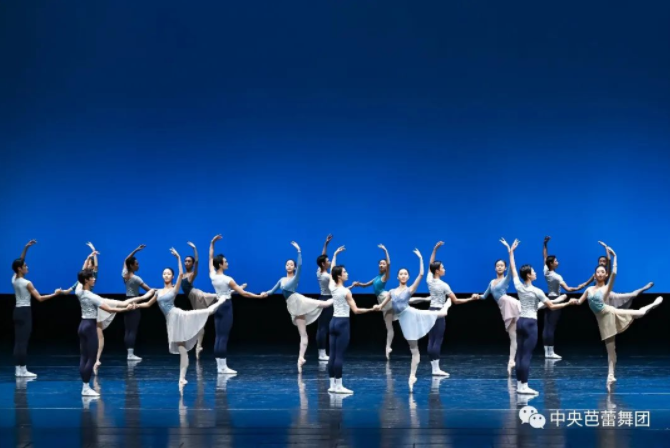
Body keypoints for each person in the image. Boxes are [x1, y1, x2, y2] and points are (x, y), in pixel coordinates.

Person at [136, 248, 227, 392]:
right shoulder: (158, 292)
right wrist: (135, 305)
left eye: (168, 274)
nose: (166, 275)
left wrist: (178, 257)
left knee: (204, 312)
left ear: (172, 276)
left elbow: (180, 274)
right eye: (164, 273)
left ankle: (221, 300)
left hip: (178, 316)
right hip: (170, 322)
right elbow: (147, 304)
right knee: (182, 350)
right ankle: (182, 378)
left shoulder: (174, 289)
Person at [575, 243, 663, 392]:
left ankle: (653, 304)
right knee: (611, 350)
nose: (600, 273)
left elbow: (614, 274)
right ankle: (610, 376)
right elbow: (579, 302)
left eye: (603, 272)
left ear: (605, 275)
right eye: (598, 272)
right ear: (595, 275)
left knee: (640, 313)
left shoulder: (606, 288)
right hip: (602, 322)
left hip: (611, 313)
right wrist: (571, 301)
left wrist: (615, 257)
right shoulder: (589, 289)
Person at [503, 238, 577, 395]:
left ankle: (519, 384)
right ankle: (524, 386)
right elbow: (551, 306)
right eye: (533, 272)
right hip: (530, 324)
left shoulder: (519, 286)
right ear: (529, 275)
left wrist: (511, 252)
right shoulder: (537, 291)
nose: (536, 273)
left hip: (520, 322)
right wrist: (567, 303)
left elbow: (514, 269)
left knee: (519, 354)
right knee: (526, 356)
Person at [378, 249, 450, 392]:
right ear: (397, 277)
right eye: (401, 274)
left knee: (440, 313)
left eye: (405, 274)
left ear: (408, 277)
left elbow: (421, 274)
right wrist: (373, 307)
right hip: (405, 323)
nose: (403, 275)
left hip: (413, 314)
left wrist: (420, 258)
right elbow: (381, 306)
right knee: (414, 351)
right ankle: (412, 376)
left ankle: (448, 304)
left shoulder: (410, 289)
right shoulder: (391, 292)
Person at [265, 241, 334, 372]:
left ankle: (338, 296)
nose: (289, 266)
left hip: (299, 302)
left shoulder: (295, 278)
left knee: (323, 304)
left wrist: (299, 251)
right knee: (303, 334)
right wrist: (263, 294)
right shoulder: (281, 280)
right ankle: (301, 358)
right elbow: (271, 291)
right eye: (287, 264)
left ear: (294, 268)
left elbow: (300, 266)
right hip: (293, 307)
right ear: (285, 266)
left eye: (292, 264)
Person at [209, 235, 268, 374]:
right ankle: (223, 367)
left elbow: (210, 258)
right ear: (220, 264)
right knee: (223, 337)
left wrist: (212, 243)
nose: (227, 263)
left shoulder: (212, 275)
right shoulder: (228, 279)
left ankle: (219, 366)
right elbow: (244, 294)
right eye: (225, 261)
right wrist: (259, 296)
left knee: (218, 336)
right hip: (226, 306)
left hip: (217, 305)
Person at [76, 269, 139, 396]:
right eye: (92, 277)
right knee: (92, 357)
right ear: (86, 280)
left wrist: (87, 262)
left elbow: (79, 281)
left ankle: (84, 386)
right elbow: (109, 309)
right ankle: (86, 387)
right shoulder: (92, 296)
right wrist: (126, 309)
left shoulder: (78, 291)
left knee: (84, 356)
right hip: (90, 326)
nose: (94, 279)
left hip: (82, 325)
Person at [11, 239, 65, 377]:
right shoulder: (27, 283)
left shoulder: (14, 279)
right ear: (20, 269)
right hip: (25, 312)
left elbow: (19, 261)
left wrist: (26, 248)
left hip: (17, 312)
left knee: (18, 341)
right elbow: (40, 298)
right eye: (25, 266)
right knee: (23, 342)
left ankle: (18, 369)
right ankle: (22, 370)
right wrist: (55, 294)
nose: (27, 266)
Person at [425, 241, 478, 377]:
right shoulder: (444, 285)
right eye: (442, 267)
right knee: (437, 340)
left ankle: (434, 368)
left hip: (430, 311)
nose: (444, 269)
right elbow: (456, 301)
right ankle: (436, 369)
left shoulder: (429, 280)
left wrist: (434, 250)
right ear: (437, 271)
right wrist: (471, 299)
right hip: (439, 312)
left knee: (431, 339)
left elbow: (430, 265)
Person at [328, 265, 380, 394]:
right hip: (342, 323)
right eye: (344, 272)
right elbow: (356, 310)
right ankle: (339, 386)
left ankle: (332, 385)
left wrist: (334, 256)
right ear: (339, 276)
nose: (347, 273)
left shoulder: (332, 287)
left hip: (333, 322)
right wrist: (371, 309)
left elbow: (332, 274)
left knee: (332, 355)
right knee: (339, 355)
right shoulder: (346, 292)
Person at [541, 236, 591, 359]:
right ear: (552, 264)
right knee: (551, 327)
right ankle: (550, 352)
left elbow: (544, 256)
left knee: (547, 326)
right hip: (556, 299)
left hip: (548, 298)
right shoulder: (557, 277)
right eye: (556, 261)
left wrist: (545, 244)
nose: (558, 262)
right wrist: (580, 287)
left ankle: (547, 352)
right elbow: (568, 289)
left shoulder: (546, 271)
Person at [351, 245, 394, 359]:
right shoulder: (377, 277)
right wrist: (358, 284)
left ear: (386, 267)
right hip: (382, 301)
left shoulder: (385, 276)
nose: (381, 265)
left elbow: (389, 264)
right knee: (389, 327)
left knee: (405, 302)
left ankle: (425, 299)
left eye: (383, 264)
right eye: (380, 263)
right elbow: (365, 285)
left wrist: (385, 250)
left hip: (385, 298)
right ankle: (388, 348)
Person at [182, 242, 223, 359]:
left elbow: (197, 262)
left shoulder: (192, 274)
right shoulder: (182, 275)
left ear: (192, 263)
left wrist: (195, 248)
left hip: (197, 295)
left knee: (215, 297)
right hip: (193, 298)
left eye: (189, 261)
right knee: (200, 321)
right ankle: (198, 346)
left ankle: (199, 346)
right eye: (185, 261)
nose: (187, 263)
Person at [122, 245, 153, 361]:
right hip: (134, 301)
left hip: (126, 301)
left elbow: (125, 260)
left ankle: (129, 353)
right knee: (133, 329)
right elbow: (149, 290)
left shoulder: (124, 274)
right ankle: (130, 355)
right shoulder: (136, 278)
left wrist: (135, 250)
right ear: (131, 265)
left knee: (128, 329)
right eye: (137, 264)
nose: (138, 265)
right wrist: (164, 290)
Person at [315, 234, 335, 361]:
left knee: (321, 327)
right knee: (323, 328)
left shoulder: (319, 272)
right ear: (323, 264)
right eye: (327, 261)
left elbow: (322, 257)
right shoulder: (327, 276)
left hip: (321, 298)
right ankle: (322, 354)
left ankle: (321, 353)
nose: (329, 261)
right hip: (327, 300)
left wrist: (326, 244)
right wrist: (335, 256)